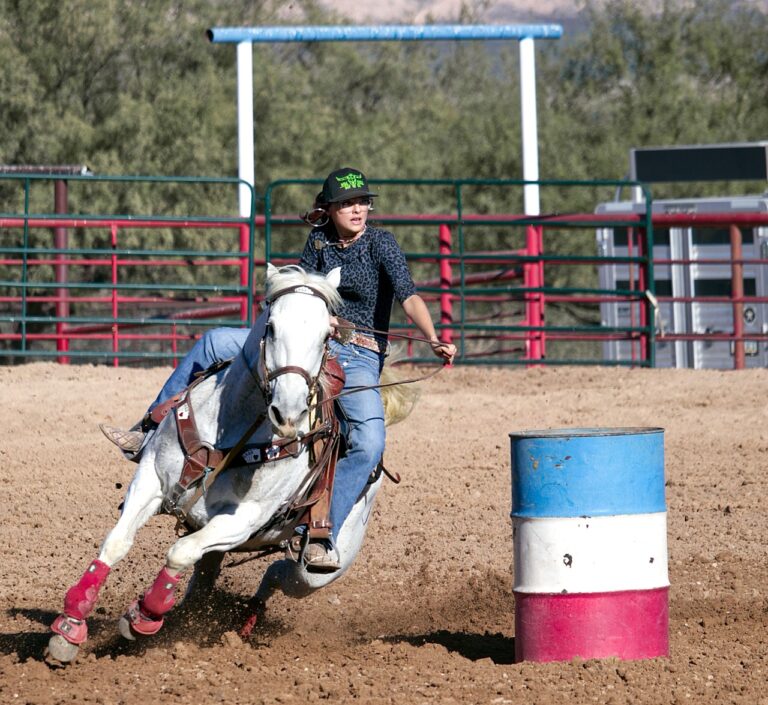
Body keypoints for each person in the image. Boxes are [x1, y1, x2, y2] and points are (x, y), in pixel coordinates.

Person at [101, 166, 456, 572]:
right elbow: (301, 289)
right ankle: (149, 429)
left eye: (362, 202)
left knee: (370, 443)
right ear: (329, 209)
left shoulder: (382, 245)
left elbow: (408, 297)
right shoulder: (318, 241)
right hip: (303, 341)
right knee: (214, 341)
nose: (357, 210)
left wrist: (431, 337)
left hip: (357, 354)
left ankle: (322, 530)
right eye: (346, 204)